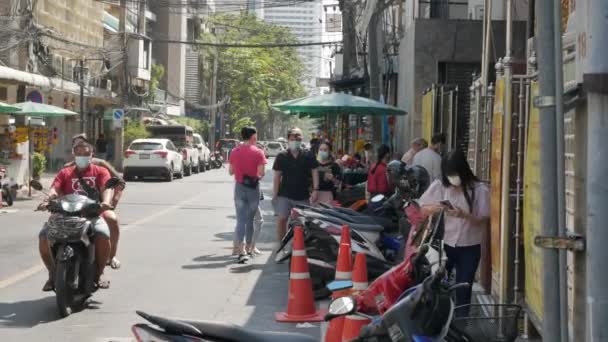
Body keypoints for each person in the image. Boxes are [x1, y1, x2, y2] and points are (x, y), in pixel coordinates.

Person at [418, 149, 490, 310]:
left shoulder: (479, 189)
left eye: (455, 173)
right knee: (435, 284)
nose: (452, 177)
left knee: (464, 287)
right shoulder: (440, 186)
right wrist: (438, 208)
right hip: (444, 245)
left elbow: (484, 217)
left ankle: (462, 322)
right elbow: (423, 208)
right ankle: (437, 319)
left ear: (463, 170)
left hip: (469, 246)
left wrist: (465, 215)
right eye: (449, 173)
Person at [38, 140, 113, 291]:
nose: (82, 157)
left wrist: (105, 202)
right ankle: (52, 274)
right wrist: (47, 200)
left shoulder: (100, 171)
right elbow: (54, 189)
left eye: (86, 154)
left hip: (90, 214)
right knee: (44, 235)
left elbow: (107, 188)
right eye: (78, 154)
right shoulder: (65, 173)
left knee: (103, 234)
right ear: (73, 155)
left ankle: (99, 274)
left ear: (92, 155)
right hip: (64, 214)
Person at [67, 133, 124, 269]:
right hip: (73, 209)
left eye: (83, 146)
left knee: (112, 219)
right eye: (77, 147)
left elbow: (119, 182)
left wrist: (111, 202)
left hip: (97, 208)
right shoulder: (67, 168)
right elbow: (58, 188)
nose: (81, 149)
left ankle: (111, 256)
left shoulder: (101, 166)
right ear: (73, 150)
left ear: (90, 149)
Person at [272, 127, 320, 241]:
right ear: (288, 139)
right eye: (293, 138)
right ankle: (281, 244)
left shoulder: (308, 155)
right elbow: (277, 176)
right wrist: (275, 195)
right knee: (282, 219)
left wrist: (316, 189)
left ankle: (298, 246)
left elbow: (315, 171)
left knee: (301, 222)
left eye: (298, 138)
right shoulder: (281, 156)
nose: (296, 140)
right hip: (284, 194)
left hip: (302, 195)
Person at [229, 126, 267, 263]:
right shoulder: (259, 152)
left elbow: (230, 172)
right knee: (251, 220)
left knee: (241, 220)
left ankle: (241, 249)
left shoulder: (234, 151)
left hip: (239, 188)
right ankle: (250, 248)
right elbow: (262, 173)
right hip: (253, 189)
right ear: (253, 137)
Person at [314, 141, 342, 205]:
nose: (322, 152)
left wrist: (332, 178)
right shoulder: (313, 164)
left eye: (325, 150)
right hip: (314, 195)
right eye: (320, 149)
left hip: (328, 196)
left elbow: (338, 183)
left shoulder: (334, 166)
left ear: (330, 152)